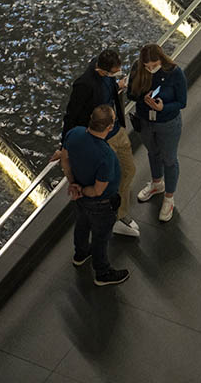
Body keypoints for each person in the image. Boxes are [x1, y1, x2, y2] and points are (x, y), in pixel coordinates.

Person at [62, 49, 139, 238]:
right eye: (114, 72)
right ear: (103, 69)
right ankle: (116, 216)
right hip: (102, 139)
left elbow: (110, 88)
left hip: (117, 131)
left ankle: (118, 213)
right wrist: (64, 146)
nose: (116, 74)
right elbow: (71, 116)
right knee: (110, 179)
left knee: (129, 171)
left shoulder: (106, 75)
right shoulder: (84, 85)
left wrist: (117, 86)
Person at [56, 104, 130, 286]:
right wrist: (82, 190)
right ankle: (102, 273)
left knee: (81, 226)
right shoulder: (106, 155)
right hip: (101, 204)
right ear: (109, 127)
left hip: (80, 200)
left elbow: (65, 159)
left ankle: (80, 254)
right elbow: (98, 190)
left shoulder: (75, 133)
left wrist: (73, 184)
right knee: (100, 237)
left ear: (91, 118)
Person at [128, 43, 188, 223]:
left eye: (153, 65)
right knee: (153, 153)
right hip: (145, 121)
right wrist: (142, 96)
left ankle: (169, 197)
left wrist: (163, 107)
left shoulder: (175, 73)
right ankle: (156, 183)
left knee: (169, 159)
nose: (150, 69)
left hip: (168, 123)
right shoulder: (138, 68)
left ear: (161, 59)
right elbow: (130, 94)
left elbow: (182, 102)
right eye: (147, 66)